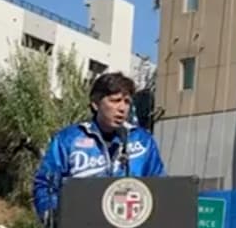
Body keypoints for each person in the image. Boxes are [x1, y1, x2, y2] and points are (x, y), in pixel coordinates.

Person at [33, 72, 165, 219]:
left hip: (130, 225)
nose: (122, 108)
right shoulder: (68, 139)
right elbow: (46, 184)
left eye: (127, 102)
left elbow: (159, 186)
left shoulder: (142, 140)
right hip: (81, 226)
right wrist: (53, 216)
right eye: (115, 101)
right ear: (96, 104)